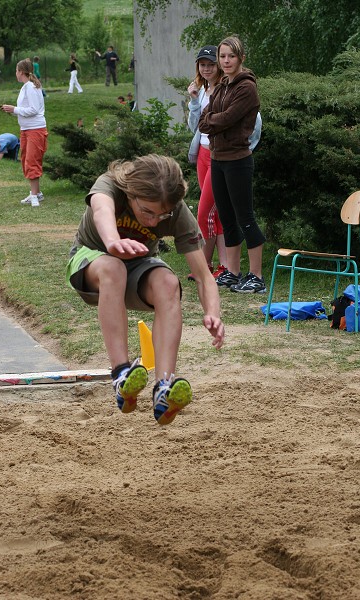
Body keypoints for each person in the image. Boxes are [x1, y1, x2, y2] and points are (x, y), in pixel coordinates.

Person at [66, 154, 224, 425]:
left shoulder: (176, 213)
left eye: (161, 215)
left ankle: (163, 387)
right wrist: (113, 241)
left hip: (137, 267)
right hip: (91, 261)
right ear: (131, 194)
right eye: (147, 212)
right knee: (113, 267)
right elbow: (102, 211)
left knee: (168, 283)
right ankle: (121, 374)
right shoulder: (110, 186)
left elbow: (203, 275)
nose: (153, 222)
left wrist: (213, 312)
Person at [199, 36, 266, 293]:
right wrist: (216, 121)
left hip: (238, 160)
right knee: (227, 219)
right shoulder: (222, 85)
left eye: (231, 57)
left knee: (245, 217)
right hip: (218, 159)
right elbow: (205, 121)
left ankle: (256, 276)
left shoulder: (245, 87)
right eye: (222, 57)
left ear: (241, 59)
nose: (226, 61)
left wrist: (215, 120)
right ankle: (233, 272)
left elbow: (228, 118)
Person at [187, 45, 227, 281]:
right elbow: (194, 127)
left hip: (219, 155)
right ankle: (221, 266)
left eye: (211, 64)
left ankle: (204, 264)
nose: (207, 68)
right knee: (215, 211)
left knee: (204, 213)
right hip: (202, 153)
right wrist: (193, 101)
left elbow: (255, 122)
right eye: (203, 64)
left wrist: (247, 148)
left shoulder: (226, 89)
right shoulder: (202, 90)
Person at [0, 58, 48, 208]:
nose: (15, 73)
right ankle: (37, 193)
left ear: (21, 72)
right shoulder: (25, 87)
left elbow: (33, 110)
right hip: (26, 130)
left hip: (35, 130)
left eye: (16, 70)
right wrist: (13, 111)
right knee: (26, 159)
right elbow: (26, 110)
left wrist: (14, 109)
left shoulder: (31, 87)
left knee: (32, 161)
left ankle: (34, 195)